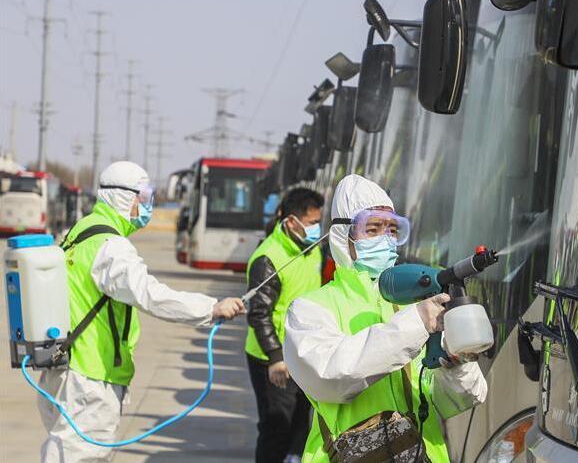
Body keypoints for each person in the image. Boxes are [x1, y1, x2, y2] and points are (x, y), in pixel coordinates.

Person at [38, 161, 246, 462]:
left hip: (63, 367)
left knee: (67, 450)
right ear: (125, 197)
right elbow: (150, 295)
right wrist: (210, 308)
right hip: (90, 376)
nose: (149, 205)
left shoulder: (80, 231)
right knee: (79, 455)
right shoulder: (111, 246)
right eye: (145, 197)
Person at [283, 174, 488, 463]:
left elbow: (452, 402)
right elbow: (331, 377)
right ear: (343, 237)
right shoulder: (310, 309)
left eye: (392, 230)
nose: (386, 239)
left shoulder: (411, 305)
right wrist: (416, 324)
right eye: (373, 229)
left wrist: (456, 364)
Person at [245, 187, 325, 463]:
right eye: (312, 223)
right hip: (273, 359)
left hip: (303, 354)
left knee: (301, 425)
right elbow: (259, 313)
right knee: (276, 428)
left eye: (319, 222)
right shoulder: (268, 258)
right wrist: (275, 357)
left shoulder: (312, 250)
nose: (317, 229)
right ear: (292, 221)